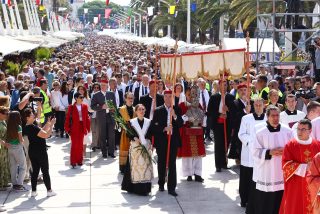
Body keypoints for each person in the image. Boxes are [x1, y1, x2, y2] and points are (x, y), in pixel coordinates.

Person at [252, 105, 293, 214]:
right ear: (267, 117)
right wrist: (269, 152)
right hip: (267, 171)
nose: (275, 118)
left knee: (281, 198)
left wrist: (286, 151)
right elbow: (254, 152)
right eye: (273, 116)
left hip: (282, 171)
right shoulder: (260, 133)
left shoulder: (287, 131)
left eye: (277, 115)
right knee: (267, 201)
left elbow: (293, 148)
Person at [280, 119, 320, 214]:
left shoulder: (317, 145)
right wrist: (305, 167)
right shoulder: (290, 145)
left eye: (303, 129)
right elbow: (285, 165)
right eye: (298, 129)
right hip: (296, 184)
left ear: (310, 131)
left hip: (313, 184)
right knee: (296, 207)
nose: (300, 132)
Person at [151, 90, 183, 196]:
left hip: (173, 140)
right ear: (164, 98)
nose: (169, 99)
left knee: (172, 164)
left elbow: (181, 124)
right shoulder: (158, 110)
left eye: (170, 96)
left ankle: (172, 187)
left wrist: (175, 116)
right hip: (161, 141)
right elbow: (153, 127)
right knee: (161, 162)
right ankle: (161, 183)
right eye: (167, 96)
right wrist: (164, 128)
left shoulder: (177, 109)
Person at [238, 97, 266, 210]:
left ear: (264, 106)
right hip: (248, 153)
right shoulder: (246, 118)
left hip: (262, 152)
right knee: (246, 177)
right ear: (253, 106)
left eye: (260, 105)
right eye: (256, 105)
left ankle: (258, 200)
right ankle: (244, 199)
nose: (258, 107)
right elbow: (241, 134)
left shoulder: (267, 119)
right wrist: (251, 142)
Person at [121, 104, 153, 196]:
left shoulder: (149, 122)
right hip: (135, 147)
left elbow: (151, 134)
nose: (141, 111)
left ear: (145, 110)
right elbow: (128, 134)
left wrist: (149, 143)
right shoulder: (131, 122)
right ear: (136, 111)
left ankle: (145, 188)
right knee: (135, 168)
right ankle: (135, 188)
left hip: (145, 146)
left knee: (145, 168)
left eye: (143, 109)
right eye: (139, 109)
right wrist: (135, 138)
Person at [23, 108, 56, 197]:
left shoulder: (27, 127)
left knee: (35, 171)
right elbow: (46, 135)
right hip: (40, 151)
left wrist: (48, 124)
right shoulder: (33, 127)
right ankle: (49, 190)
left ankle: (33, 191)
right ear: (27, 118)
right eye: (31, 115)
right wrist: (52, 125)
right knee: (45, 171)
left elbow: (41, 131)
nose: (34, 115)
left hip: (32, 151)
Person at [177, 86, 206, 182]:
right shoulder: (181, 105)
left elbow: (203, 116)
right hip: (187, 132)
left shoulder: (198, 104)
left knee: (198, 154)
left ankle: (197, 174)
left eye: (193, 94)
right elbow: (179, 119)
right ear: (185, 94)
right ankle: (188, 173)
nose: (191, 96)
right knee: (188, 154)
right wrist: (187, 117)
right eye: (189, 94)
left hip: (197, 131)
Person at [207, 80, 235, 172]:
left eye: (226, 84)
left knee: (226, 143)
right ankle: (218, 164)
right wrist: (219, 115)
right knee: (218, 144)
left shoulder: (231, 97)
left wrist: (228, 110)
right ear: (219, 85)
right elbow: (209, 111)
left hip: (227, 123)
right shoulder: (214, 97)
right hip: (217, 123)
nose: (224, 86)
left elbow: (234, 110)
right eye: (222, 84)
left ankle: (224, 163)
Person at [90, 79, 116, 158]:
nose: (103, 86)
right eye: (101, 85)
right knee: (102, 135)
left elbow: (115, 105)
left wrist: (113, 110)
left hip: (110, 117)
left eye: (104, 85)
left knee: (111, 135)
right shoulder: (96, 95)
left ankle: (111, 152)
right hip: (101, 117)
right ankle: (104, 152)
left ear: (107, 86)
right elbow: (93, 106)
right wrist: (101, 107)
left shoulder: (111, 94)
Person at [65, 92, 91, 168]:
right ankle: (73, 161)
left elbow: (87, 118)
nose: (82, 99)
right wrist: (67, 129)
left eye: (83, 97)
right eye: (81, 97)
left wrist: (88, 128)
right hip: (74, 127)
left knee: (80, 145)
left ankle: (79, 160)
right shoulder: (71, 107)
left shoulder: (85, 106)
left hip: (82, 127)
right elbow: (67, 119)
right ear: (76, 98)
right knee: (74, 145)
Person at [6, 111, 27, 191]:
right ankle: (19, 184)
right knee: (23, 166)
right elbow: (21, 139)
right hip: (17, 147)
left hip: (9, 147)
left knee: (13, 166)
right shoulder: (18, 127)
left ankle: (14, 183)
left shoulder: (7, 125)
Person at [119, 92, 136, 173]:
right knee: (124, 149)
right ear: (125, 99)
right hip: (125, 133)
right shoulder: (121, 109)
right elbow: (118, 121)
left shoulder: (135, 109)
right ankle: (123, 168)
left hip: (133, 133)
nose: (130, 100)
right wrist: (123, 125)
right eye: (129, 98)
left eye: (132, 98)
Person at [0, 106, 10, 191]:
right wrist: (2, 142)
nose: (7, 115)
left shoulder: (3, 121)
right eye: (5, 114)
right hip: (1, 145)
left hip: (4, 146)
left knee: (4, 164)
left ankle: (4, 182)